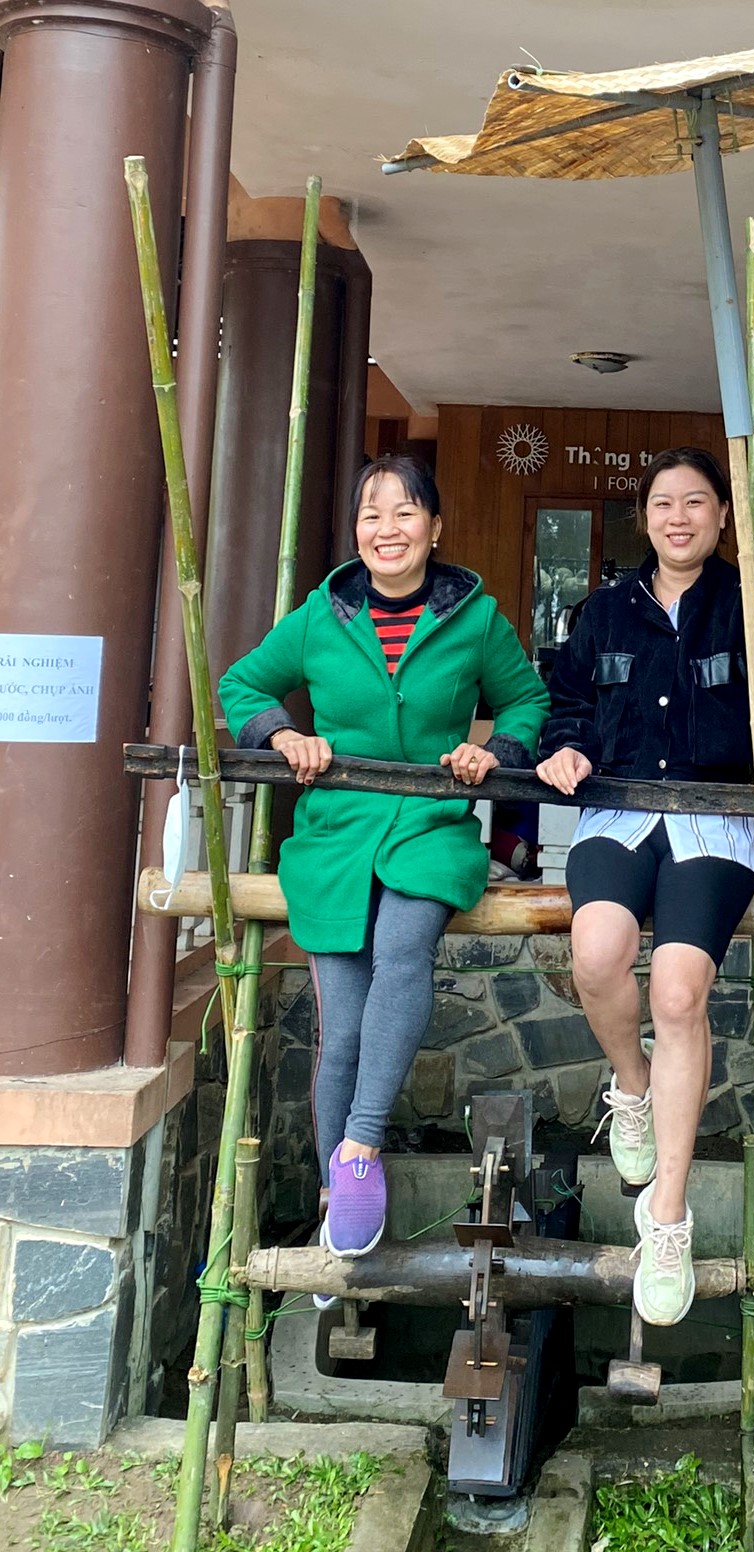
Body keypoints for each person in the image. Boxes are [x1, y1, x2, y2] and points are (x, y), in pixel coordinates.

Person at [220, 454, 549, 1270]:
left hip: (430, 827)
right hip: (335, 835)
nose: (387, 529)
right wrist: (282, 734)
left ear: (435, 528)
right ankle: (335, 1199)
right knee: (340, 1029)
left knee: (403, 950)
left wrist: (493, 752)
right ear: (357, 531)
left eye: (405, 513)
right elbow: (241, 685)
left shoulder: (476, 619)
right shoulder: (319, 616)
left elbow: (525, 699)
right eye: (372, 514)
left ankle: (361, 1149)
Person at [535, 446, 754, 1327]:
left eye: (696, 502)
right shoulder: (604, 612)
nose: (679, 517)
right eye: (663, 503)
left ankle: (666, 1214)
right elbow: (566, 704)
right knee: (597, 955)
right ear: (645, 517)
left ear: (722, 516)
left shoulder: (752, 603)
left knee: (677, 989)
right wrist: (566, 748)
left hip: (716, 820)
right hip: (620, 813)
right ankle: (631, 1082)